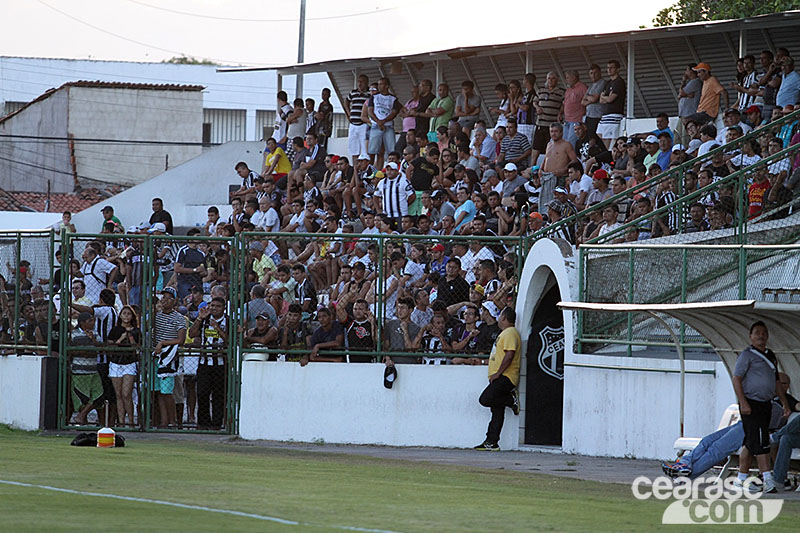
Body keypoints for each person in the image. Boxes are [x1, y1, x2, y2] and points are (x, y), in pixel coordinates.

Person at [732, 321, 791, 492]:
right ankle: (767, 480)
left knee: (751, 443)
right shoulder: (746, 355)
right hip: (751, 403)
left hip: (766, 404)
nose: (761, 336)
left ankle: (740, 480)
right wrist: (743, 402)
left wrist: (785, 403)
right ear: (750, 336)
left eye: (764, 333)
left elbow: (777, 382)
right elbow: (737, 378)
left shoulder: (771, 355)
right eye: (757, 332)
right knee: (761, 440)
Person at [474, 307, 521, 451]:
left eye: (500, 315)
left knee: (485, 399)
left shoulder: (510, 333)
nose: (498, 318)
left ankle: (510, 400)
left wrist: (498, 373)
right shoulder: (505, 333)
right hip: (499, 376)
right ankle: (491, 441)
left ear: (504, 318)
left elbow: (509, 354)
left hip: (505, 376)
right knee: (497, 411)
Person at [188, 296, 228, 430]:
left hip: (220, 364)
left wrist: (218, 329)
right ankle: (203, 423)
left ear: (224, 308)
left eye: (218, 306)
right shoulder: (204, 319)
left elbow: (230, 340)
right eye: (212, 306)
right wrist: (199, 319)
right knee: (202, 393)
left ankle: (216, 424)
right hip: (204, 363)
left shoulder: (228, 321)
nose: (214, 308)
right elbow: (192, 333)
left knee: (218, 395)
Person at [153, 287, 187, 429]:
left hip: (169, 358)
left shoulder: (179, 318)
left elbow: (181, 340)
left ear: (174, 301)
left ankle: (173, 421)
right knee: (159, 391)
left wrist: (163, 343)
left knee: (167, 391)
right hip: (157, 356)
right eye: (163, 297)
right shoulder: (157, 316)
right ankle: (164, 421)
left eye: (168, 298)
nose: (164, 300)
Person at [107, 305, 140, 427]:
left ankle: (131, 421)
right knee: (119, 395)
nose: (126, 316)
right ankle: (121, 421)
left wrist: (130, 337)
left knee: (126, 393)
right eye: (124, 313)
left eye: (128, 314)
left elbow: (136, 347)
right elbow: (110, 346)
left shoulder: (136, 331)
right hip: (116, 363)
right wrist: (120, 339)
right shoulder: (115, 330)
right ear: (120, 316)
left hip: (129, 363)